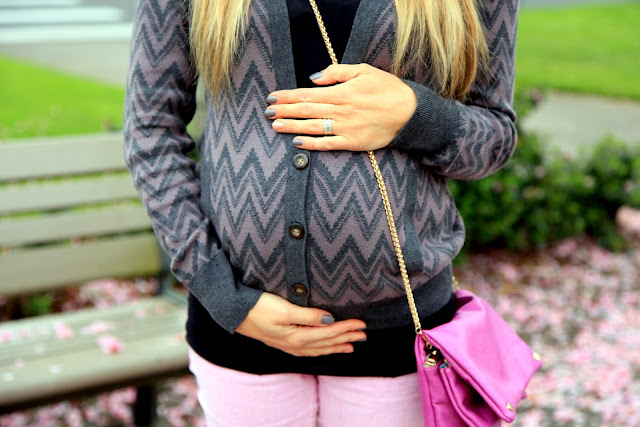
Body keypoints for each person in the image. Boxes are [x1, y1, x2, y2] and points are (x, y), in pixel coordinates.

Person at [123, 0, 519, 425]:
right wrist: (222, 293)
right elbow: (151, 131)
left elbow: (494, 139)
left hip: (399, 332)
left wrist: (416, 115)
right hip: (241, 327)